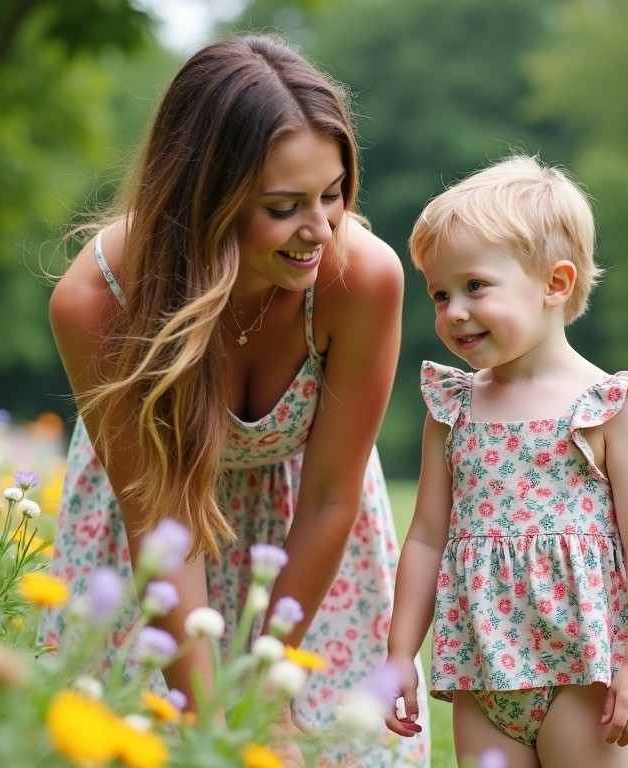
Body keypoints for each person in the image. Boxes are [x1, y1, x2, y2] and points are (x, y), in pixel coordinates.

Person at [38, 33, 430, 767]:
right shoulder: (96, 303)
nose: (320, 230)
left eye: (334, 192)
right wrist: (213, 716)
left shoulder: (362, 280)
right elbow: (160, 519)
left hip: (308, 551)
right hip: (158, 543)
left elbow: (327, 497)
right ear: (205, 199)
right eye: (284, 207)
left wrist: (268, 684)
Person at [382, 154, 628, 768]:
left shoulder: (607, 407)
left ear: (555, 284)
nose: (453, 311)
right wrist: (399, 652)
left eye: (475, 287)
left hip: (582, 667)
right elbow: (428, 538)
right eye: (440, 293)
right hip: (483, 667)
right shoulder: (452, 407)